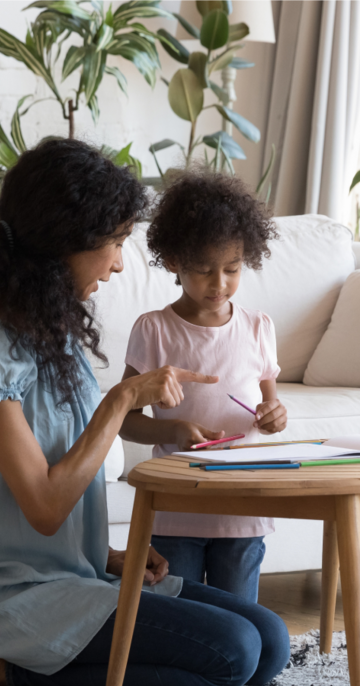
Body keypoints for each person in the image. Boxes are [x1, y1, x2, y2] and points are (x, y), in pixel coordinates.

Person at [0, 139, 290, 686]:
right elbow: (45, 507)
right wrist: (120, 400)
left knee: (269, 639)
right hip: (10, 596)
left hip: (74, 576)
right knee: (232, 652)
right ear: (63, 243)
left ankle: (41, 653)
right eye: (115, 242)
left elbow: (58, 491)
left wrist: (109, 555)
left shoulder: (54, 327)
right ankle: (2, 664)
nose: (121, 262)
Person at [120, 170, 287, 602]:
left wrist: (274, 417)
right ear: (174, 261)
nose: (219, 284)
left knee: (240, 617)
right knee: (186, 619)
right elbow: (126, 421)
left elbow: (271, 408)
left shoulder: (257, 327)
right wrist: (173, 431)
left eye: (232, 269)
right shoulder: (154, 330)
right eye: (204, 270)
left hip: (242, 507)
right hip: (178, 510)